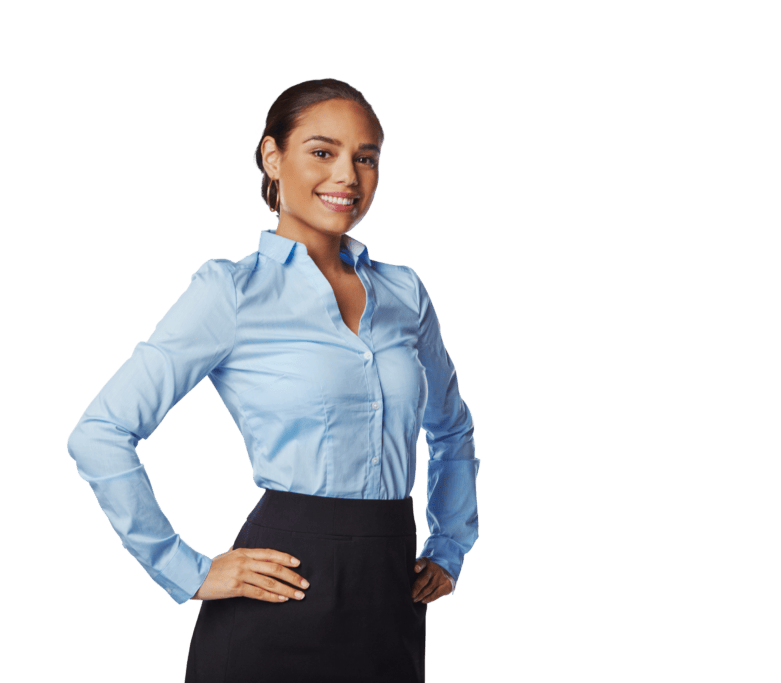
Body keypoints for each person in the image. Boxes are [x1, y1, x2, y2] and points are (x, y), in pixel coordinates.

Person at [65, 77, 480, 682]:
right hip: (278, 594)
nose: (347, 175)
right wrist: (189, 570)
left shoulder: (405, 292)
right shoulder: (230, 291)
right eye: (322, 151)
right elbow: (99, 433)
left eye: (366, 158)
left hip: (392, 596)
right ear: (271, 157)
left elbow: (452, 430)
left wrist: (449, 546)